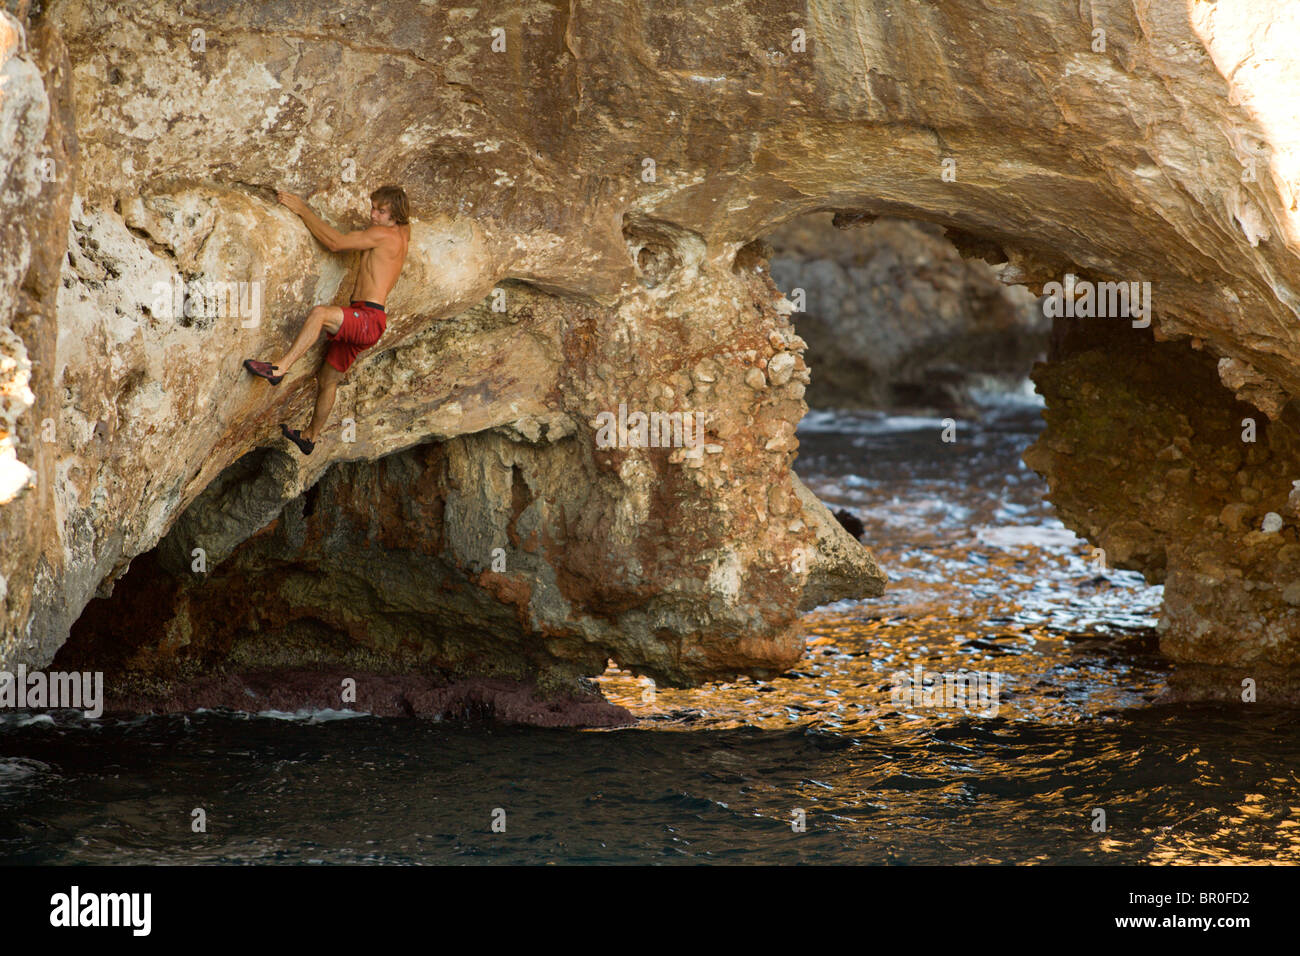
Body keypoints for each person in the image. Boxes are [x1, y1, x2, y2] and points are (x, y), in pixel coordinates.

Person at [244, 185, 411, 455]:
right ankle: (310, 437)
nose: (373, 215)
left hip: (367, 318)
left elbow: (335, 243)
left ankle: (279, 369)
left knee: (320, 314)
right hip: (370, 320)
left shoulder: (382, 234)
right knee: (328, 380)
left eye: (381, 211)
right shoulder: (403, 233)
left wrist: (302, 210)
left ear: (395, 216)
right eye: (373, 207)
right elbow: (403, 220)